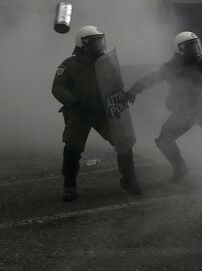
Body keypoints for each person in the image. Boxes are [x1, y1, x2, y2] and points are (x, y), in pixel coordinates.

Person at [125, 31, 202, 182]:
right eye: (189, 47)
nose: (194, 50)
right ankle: (180, 168)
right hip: (185, 111)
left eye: (195, 46)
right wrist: (134, 89)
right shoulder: (172, 67)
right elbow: (152, 78)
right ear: (180, 49)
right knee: (164, 140)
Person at [52, 25, 141, 202]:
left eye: (100, 40)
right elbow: (58, 88)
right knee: (72, 149)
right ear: (83, 43)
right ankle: (69, 186)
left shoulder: (106, 62)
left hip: (103, 112)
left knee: (123, 142)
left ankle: (129, 180)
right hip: (79, 113)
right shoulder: (69, 65)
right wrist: (74, 102)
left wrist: (120, 97)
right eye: (95, 41)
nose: (99, 45)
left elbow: (117, 84)